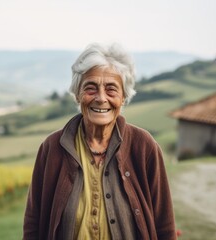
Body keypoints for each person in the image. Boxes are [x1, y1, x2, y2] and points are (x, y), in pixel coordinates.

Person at [23, 43, 177, 240]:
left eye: (111, 89)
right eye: (91, 88)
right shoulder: (52, 148)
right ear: (78, 94)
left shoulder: (144, 146)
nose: (101, 98)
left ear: (123, 97)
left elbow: (164, 225)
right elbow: (33, 224)